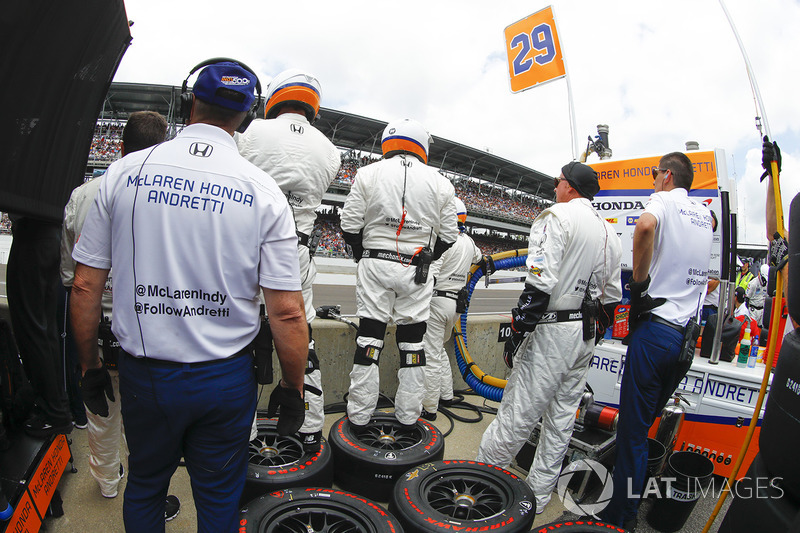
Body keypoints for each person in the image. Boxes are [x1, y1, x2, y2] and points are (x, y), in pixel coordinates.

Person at [70, 60, 308, 533]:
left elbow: (84, 287)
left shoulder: (122, 173)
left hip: (145, 375)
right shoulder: (263, 191)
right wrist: (293, 388)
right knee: (219, 501)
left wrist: (90, 367)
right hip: (225, 379)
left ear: (188, 101)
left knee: (145, 486)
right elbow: (286, 312)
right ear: (248, 114)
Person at [476, 162, 622, 514]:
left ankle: (477, 481)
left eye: (558, 182)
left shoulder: (557, 216)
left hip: (552, 328)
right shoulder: (610, 233)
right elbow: (613, 297)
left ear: (569, 187)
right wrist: (590, 335)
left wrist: (517, 333)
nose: (555, 187)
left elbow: (539, 283)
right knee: (560, 422)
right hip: (585, 334)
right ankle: (539, 497)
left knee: (518, 413)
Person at [60, 112, 181, 522]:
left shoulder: (82, 194)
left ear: (120, 147)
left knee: (100, 413)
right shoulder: (172, 197)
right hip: (146, 331)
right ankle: (149, 497)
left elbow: (70, 278)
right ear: (163, 148)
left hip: (92, 324)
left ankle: (109, 483)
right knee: (149, 424)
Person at [600, 152, 713, 528]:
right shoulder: (704, 217)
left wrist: (639, 285)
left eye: (653, 175)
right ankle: (628, 500)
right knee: (642, 428)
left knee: (632, 434)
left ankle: (621, 518)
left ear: (666, 176)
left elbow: (645, 226)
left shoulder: (663, 200)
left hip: (657, 331)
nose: (652, 181)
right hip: (685, 344)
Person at [236, 69, 340, 451]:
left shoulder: (253, 134)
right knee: (302, 339)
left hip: (249, 245)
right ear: (312, 106)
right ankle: (311, 430)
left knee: (241, 346)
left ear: (275, 99)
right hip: (296, 249)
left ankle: (243, 437)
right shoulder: (329, 149)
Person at [340, 118, 458, 427]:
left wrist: (360, 254)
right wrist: (428, 258)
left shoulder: (367, 173)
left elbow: (349, 224)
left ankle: (359, 415)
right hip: (416, 268)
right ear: (422, 146)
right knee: (412, 345)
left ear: (387, 143)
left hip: (375, 262)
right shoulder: (440, 181)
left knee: (369, 339)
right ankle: (408, 416)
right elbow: (449, 235)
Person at [6, 212, 70, 437]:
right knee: (44, 328)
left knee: (31, 329)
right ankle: (56, 406)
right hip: (49, 233)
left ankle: (53, 411)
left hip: (32, 233)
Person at [420, 197, 482, 420]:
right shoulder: (469, 242)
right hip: (456, 306)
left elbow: (431, 276)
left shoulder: (444, 241)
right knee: (439, 350)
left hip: (438, 302)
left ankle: (429, 409)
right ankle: (446, 395)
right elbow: (480, 258)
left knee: (431, 356)